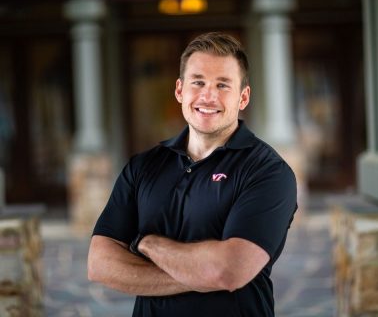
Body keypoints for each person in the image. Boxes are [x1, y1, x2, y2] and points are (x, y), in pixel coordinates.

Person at [88, 31, 297, 317]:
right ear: (179, 90)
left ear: (243, 97)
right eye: (197, 82)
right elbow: (100, 264)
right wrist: (199, 275)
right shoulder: (143, 167)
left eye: (223, 85)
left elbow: (229, 271)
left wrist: (146, 243)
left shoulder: (268, 172)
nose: (208, 96)